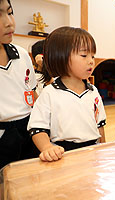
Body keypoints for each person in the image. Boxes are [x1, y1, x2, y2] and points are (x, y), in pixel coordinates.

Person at [27, 26, 106, 162]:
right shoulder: (50, 93)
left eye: (92, 56)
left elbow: (100, 126)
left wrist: (104, 148)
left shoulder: (93, 91)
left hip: (92, 153)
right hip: (63, 155)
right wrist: (47, 147)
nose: (91, 60)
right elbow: (37, 128)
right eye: (84, 55)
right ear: (62, 56)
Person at [0, 0, 39, 169]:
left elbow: (32, 94)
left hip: (29, 132)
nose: (9, 22)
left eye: (9, 12)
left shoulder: (21, 55)